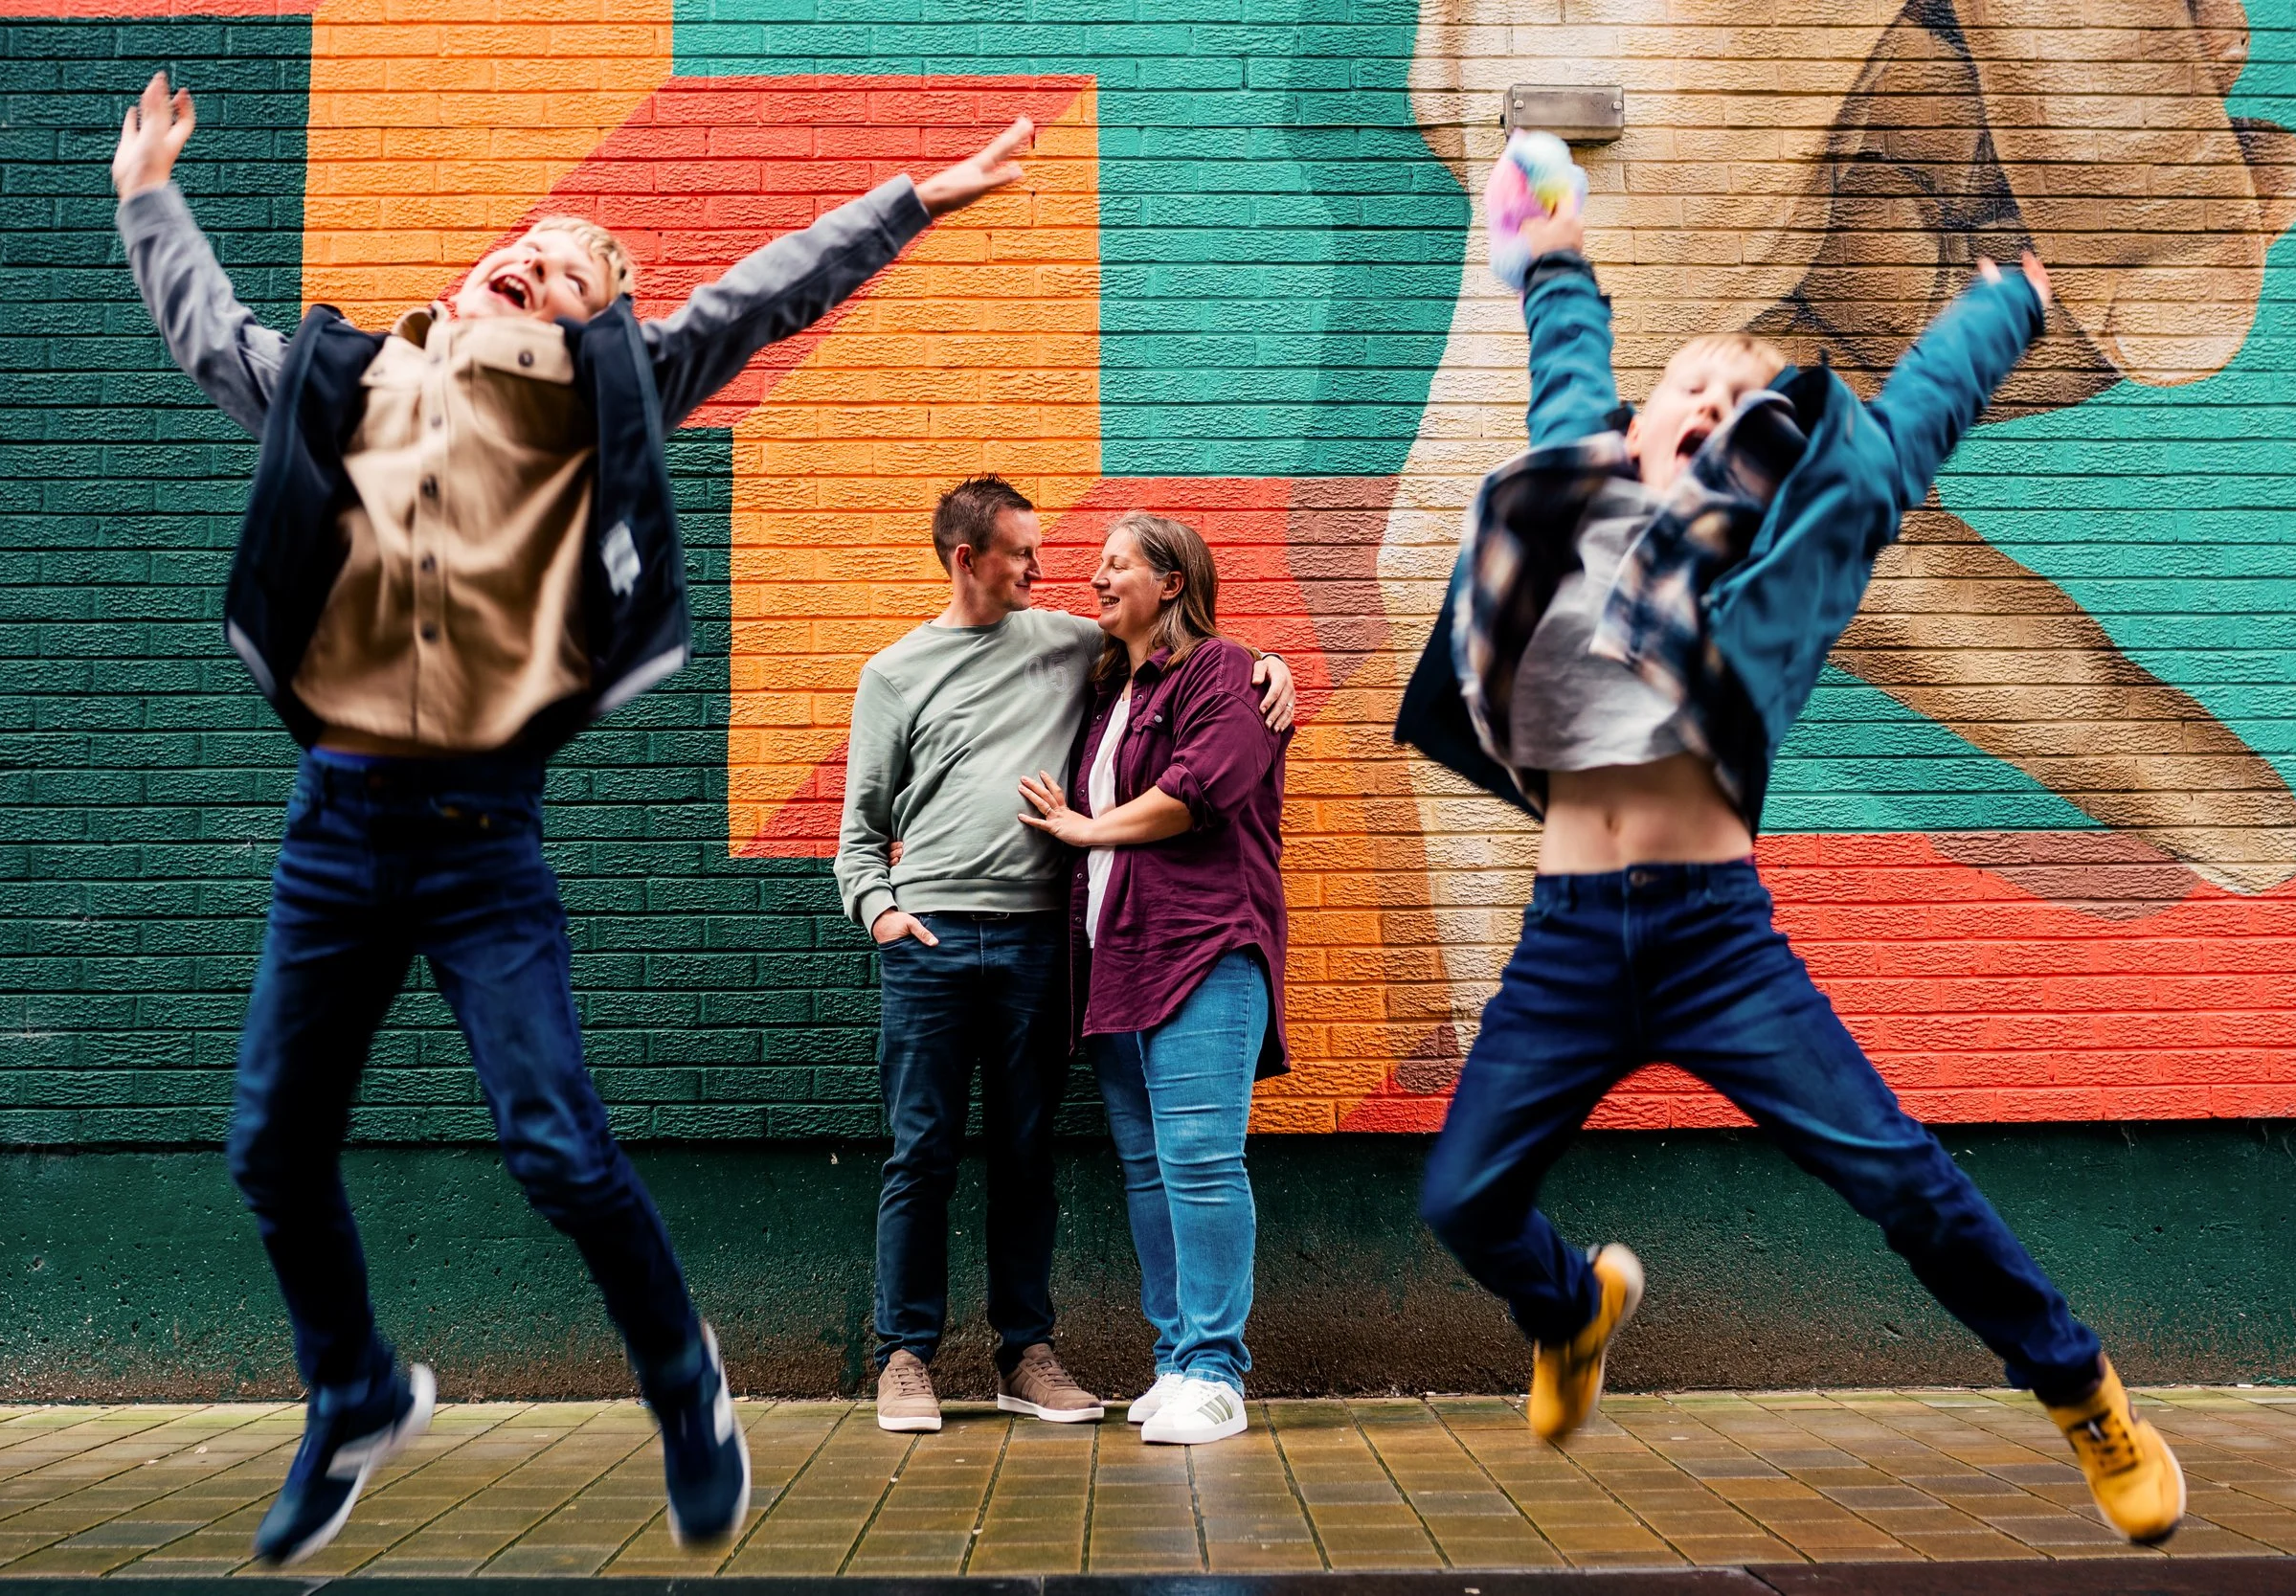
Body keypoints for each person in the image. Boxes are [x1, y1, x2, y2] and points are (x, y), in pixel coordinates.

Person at [111, 72, 1032, 1562]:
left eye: (566, 271)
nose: (527, 264)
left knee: (554, 1145)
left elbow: (760, 297)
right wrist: (148, 193)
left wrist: (909, 203)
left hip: (482, 838)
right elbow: (207, 330)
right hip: (335, 821)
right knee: (271, 1145)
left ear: (587, 321)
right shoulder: (346, 379)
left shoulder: (605, 396)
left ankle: (687, 1384)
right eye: (518, 248)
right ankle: (350, 1389)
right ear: (468, 275)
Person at [1392, 182, 2188, 1541]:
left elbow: (1911, 418)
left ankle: (2080, 1385)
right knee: (1462, 1197)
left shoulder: (1794, 545)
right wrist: (1538, 171)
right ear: (1635, 420)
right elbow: (1562, 311)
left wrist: (2014, 297)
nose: (1700, 408)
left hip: (1714, 937)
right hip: (1572, 936)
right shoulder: (1571, 481)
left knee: (1904, 1183)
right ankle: (1573, 1307)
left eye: (1732, 405)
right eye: (1683, 389)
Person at [835, 481, 1292, 1432]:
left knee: (1027, 1155)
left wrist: (1269, 665)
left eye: (1089, 562)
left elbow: (1196, 662)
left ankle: (1027, 1352)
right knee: (921, 1153)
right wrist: (880, 910)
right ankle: (905, 1356)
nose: (1057, 573)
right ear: (968, 558)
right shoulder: (896, 673)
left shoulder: (1074, 644)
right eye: (1022, 554)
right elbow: (857, 832)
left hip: (1047, 943)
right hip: (932, 940)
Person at [1017, 512, 1291, 1446]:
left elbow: (1202, 788)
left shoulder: (1220, 670)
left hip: (1205, 950)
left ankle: (1217, 1368)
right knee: (1149, 1166)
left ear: (1172, 582)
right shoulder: (1108, 694)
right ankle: (1176, 1357)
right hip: (1117, 963)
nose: (1095, 578)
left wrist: (1084, 829)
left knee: (1202, 1160)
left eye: (1116, 564)